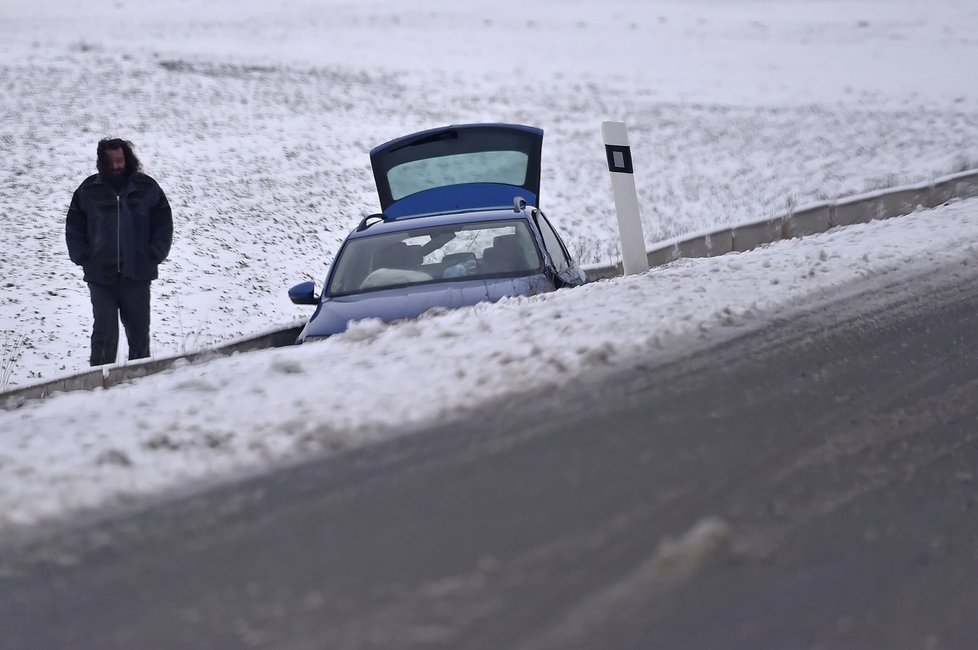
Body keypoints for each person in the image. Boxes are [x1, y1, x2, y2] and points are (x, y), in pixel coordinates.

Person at [65, 138, 173, 366]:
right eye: (110, 161)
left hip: (138, 274)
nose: (116, 166)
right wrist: (82, 256)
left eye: (120, 160)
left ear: (128, 159)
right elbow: (74, 228)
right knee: (104, 333)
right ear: (101, 161)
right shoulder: (88, 190)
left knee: (139, 336)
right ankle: (100, 386)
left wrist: (155, 254)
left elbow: (164, 223)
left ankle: (140, 383)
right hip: (100, 277)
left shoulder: (147, 188)